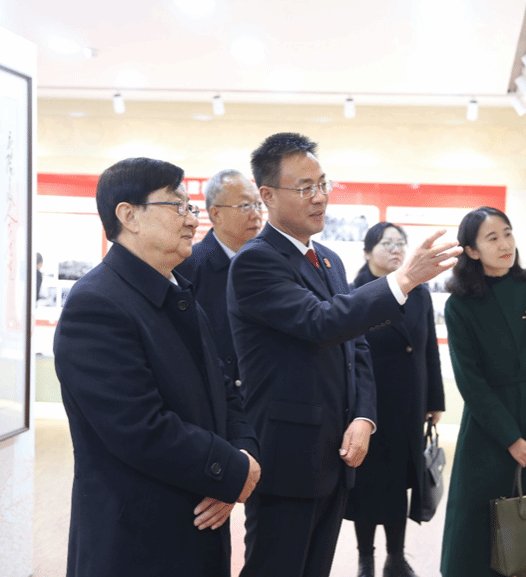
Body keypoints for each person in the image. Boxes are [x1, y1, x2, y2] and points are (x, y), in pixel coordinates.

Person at [227, 132, 462, 577]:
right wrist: (403, 280)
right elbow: (321, 321)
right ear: (267, 195)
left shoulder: (329, 260)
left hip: (336, 454)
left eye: (322, 184)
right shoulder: (256, 261)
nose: (319, 197)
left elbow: (357, 346)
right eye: (304, 188)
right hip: (287, 456)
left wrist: (364, 416)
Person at [53, 157, 261, 577]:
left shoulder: (177, 291)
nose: (192, 220)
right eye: (177, 206)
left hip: (196, 524)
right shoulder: (96, 304)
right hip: (137, 540)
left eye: (191, 207)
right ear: (128, 216)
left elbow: (225, 391)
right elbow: (138, 427)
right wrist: (229, 469)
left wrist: (242, 452)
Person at [440, 207, 526, 577]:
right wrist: (510, 437)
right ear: (472, 250)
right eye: (492, 238)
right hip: (489, 432)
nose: (505, 244)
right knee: (479, 539)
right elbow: (470, 381)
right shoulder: (459, 305)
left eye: (508, 234)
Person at [344, 222, 446, 577]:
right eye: (387, 243)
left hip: (409, 401)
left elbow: (428, 349)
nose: (396, 249)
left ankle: (396, 556)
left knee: (399, 482)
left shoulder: (419, 292)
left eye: (400, 243)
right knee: (367, 484)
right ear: (367, 251)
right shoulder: (356, 292)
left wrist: (434, 400)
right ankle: (365, 558)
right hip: (369, 405)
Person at [176, 169, 263, 386]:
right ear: (216, 214)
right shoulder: (187, 267)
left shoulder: (269, 263)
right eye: (245, 206)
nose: (256, 215)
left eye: (258, 205)